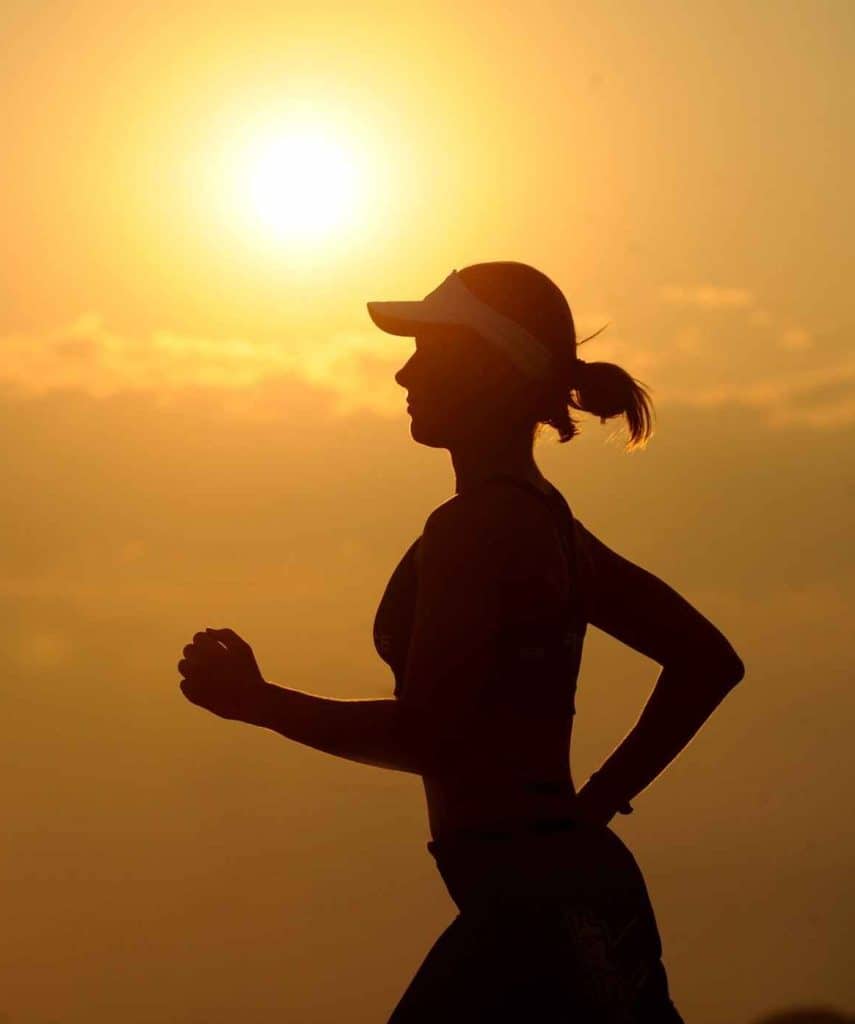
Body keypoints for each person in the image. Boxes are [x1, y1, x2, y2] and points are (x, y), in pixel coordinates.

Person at [177, 261, 746, 1022]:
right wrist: (593, 805)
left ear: (489, 368)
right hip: (559, 895)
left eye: (428, 351)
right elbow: (707, 661)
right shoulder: (546, 522)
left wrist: (261, 703)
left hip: (534, 914)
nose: (401, 372)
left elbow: (431, 736)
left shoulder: (476, 527)